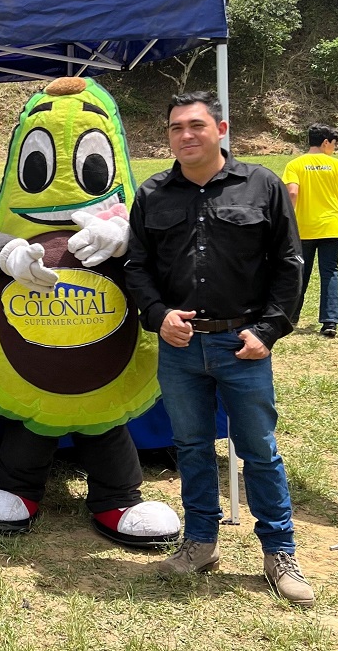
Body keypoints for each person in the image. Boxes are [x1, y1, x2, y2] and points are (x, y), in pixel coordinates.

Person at [125, 91, 314, 606]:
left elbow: (289, 263)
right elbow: (136, 267)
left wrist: (269, 331)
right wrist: (159, 316)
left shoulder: (262, 186)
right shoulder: (154, 194)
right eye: (175, 128)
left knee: (258, 451)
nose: (185, 136)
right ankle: (201, 543)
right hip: (181, 348)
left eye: (196, 125)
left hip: (243, 345)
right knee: (190, 447)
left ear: (220, 129)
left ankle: (280, 553)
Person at [282, 123, 338, 338]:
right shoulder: (337, 165)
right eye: (334, 144)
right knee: (330, 272)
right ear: (325, 142)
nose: (334, 148)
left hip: (304, 228)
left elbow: (292, 193)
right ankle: (330, 322)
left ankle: (292, 316)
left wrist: (288, 219)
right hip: (332, 226)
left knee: (300, 272)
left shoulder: (296, 164)